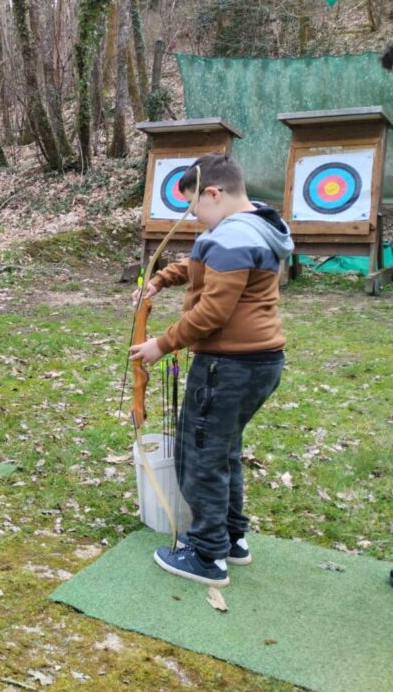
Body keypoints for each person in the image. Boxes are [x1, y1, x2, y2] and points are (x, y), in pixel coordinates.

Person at [129, 153, 294, 586]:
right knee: (223, 451)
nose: (196, 218)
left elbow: (212, 312)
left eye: (195, 207)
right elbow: (206, 267)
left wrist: (160, 345)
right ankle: (231, 538)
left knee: (200, 456)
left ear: (214, 193)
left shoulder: (232, 237)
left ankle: (206, 556)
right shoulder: (255, 223)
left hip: (229, 364)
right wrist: (163, 278)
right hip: (259, 361)